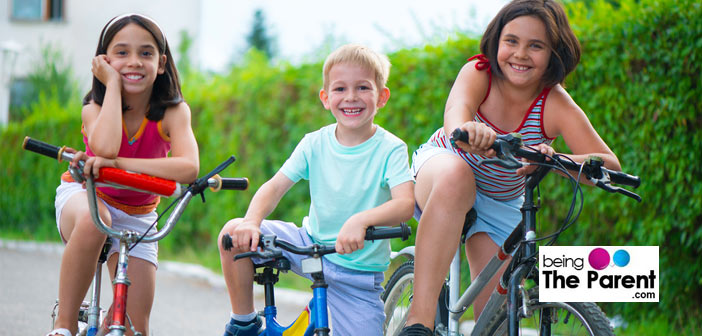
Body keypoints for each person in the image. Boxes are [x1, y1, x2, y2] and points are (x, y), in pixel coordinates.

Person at [398, 0, 623, 334]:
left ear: (554, 54)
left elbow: (607, 163)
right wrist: (469, 130)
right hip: (444, 170)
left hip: (500, 201)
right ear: (496, 42)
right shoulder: (479, 74)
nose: (520, 54)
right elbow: (454, 118)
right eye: (512, 41)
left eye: (536, 46)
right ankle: (418, 323)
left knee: (495, 323)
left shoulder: (555, 102)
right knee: (458, 176)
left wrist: (555, 161)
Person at [217, 44, 415, 336]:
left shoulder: (391, 149)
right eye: (339, 89)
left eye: (363, 87)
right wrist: (251, 221)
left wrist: (361, 220)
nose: (350, 97)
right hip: (309, 246)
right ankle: (244, 322)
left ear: (381, 97)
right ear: (325, 98)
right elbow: (274, 187)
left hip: (358, 273)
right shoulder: (314, 143)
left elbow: (405, 205)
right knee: (232, 235)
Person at [47, 14, 199, 336]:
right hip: (87, 197)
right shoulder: (94, 108)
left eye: (146, 53)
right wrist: (113, 84)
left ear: (161, 64)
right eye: (121, 53)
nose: (134, 62)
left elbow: (188, 167)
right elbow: (103, 148)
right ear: (103, 61)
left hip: (139, 214)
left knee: (134, 328)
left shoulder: (174, 112)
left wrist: (122, 166)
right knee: (94, 220)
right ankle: (63, 326)